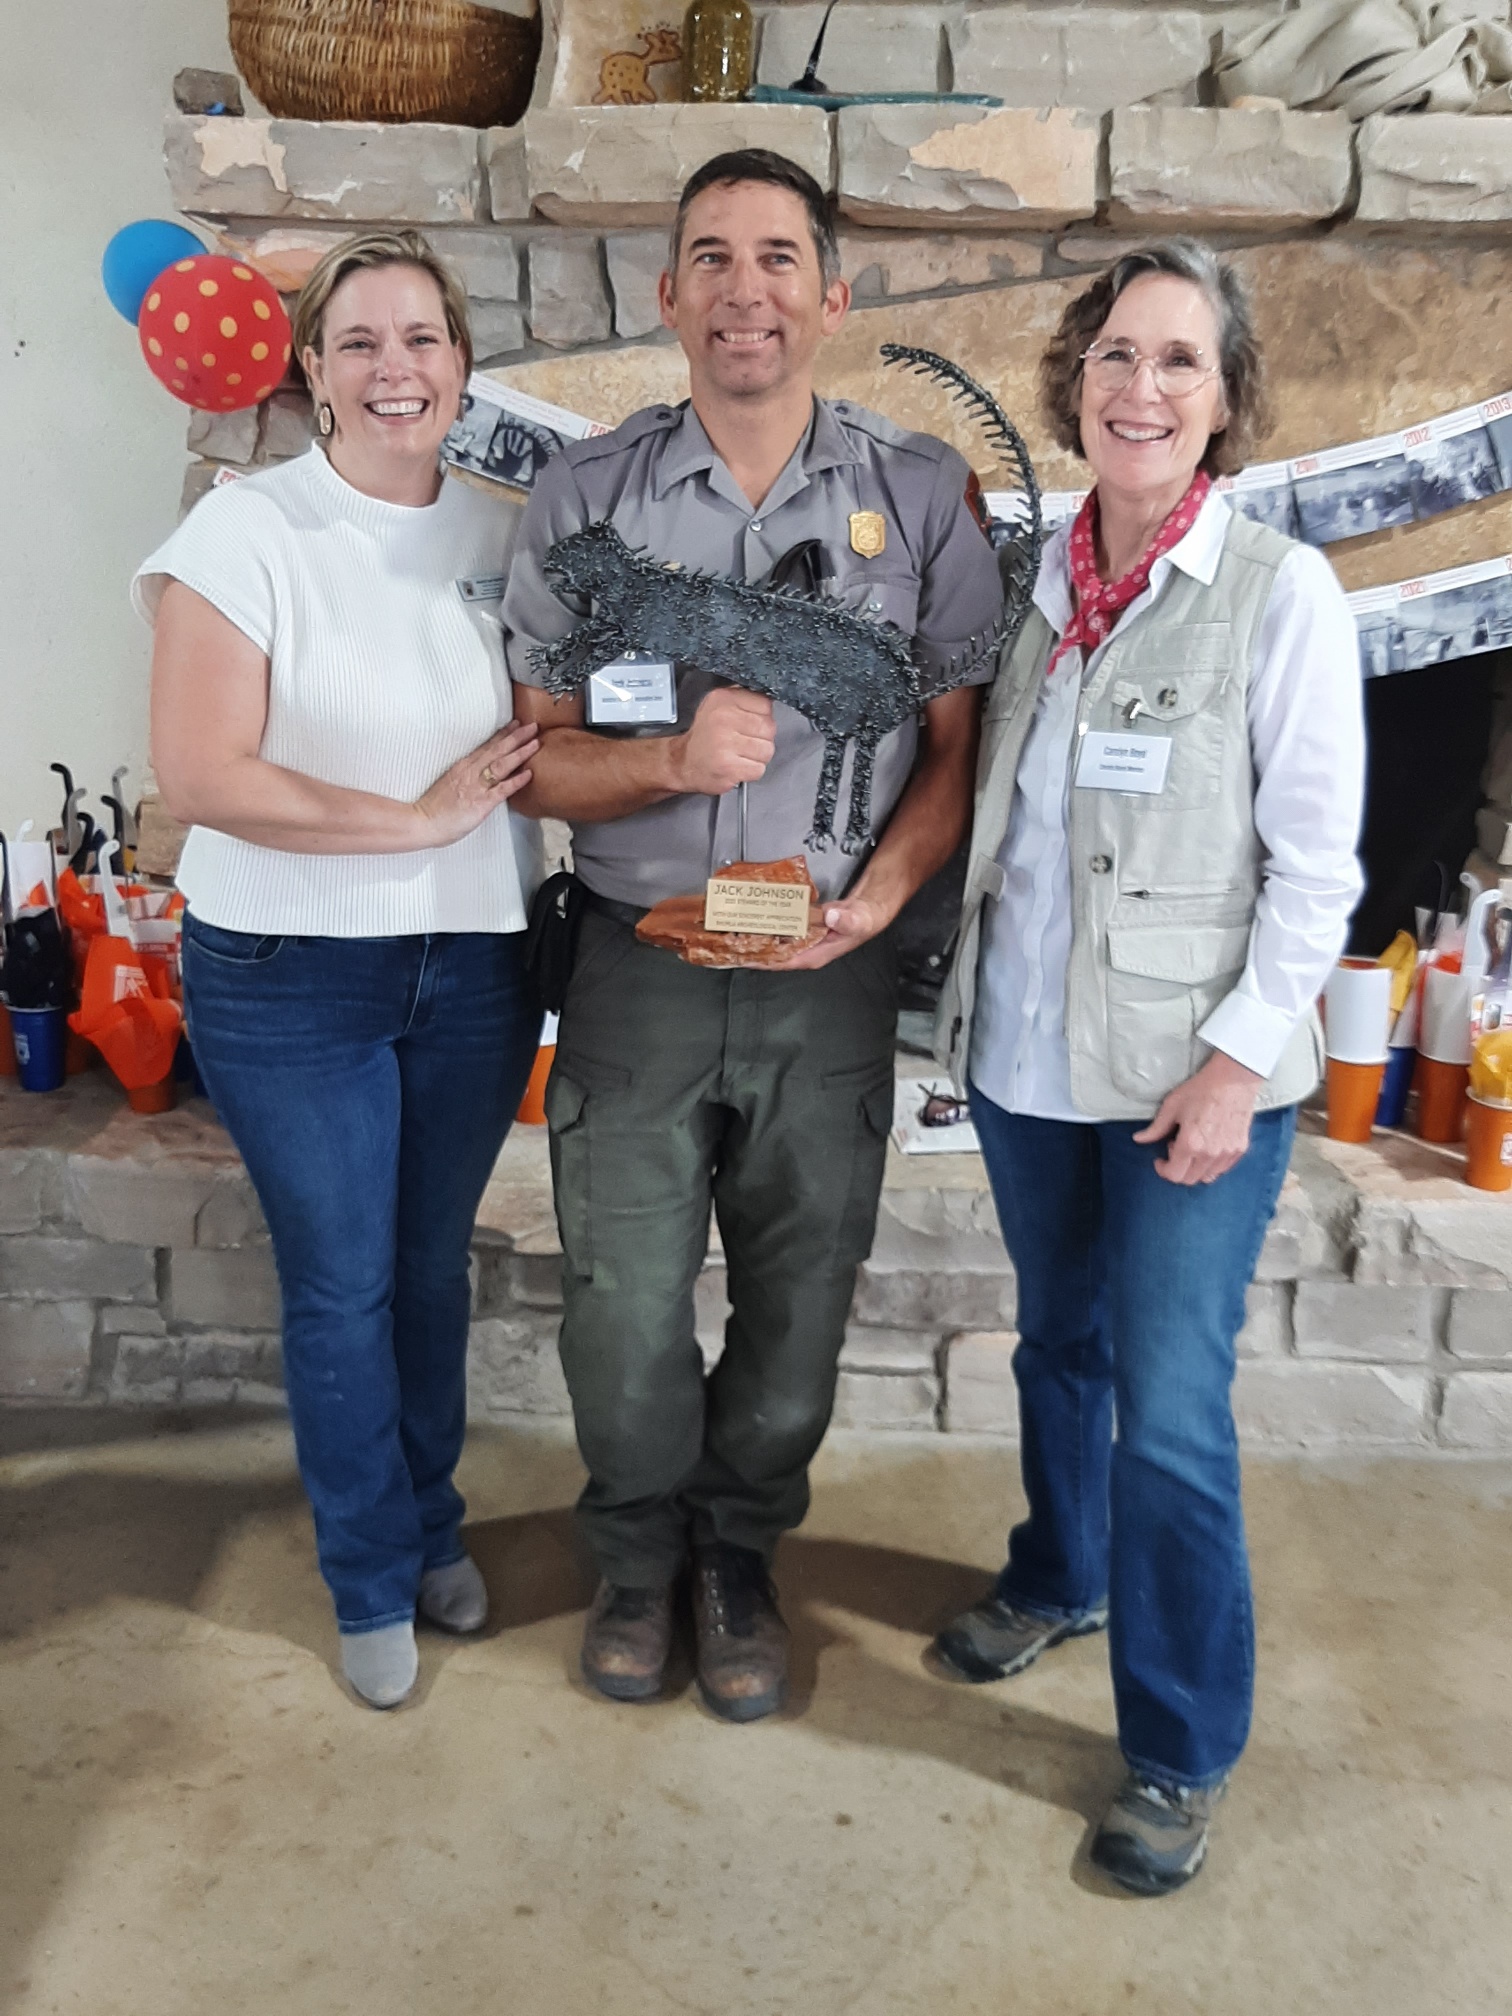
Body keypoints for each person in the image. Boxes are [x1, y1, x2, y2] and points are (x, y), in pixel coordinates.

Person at [502, 150, 1003, 1720]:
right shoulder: (585, 499)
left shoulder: (918, 497)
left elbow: (951, 754)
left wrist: (875, 905)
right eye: (710, 256)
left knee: (801, 1299)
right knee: (622, 1302)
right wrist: (661, 759)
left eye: (779, 256)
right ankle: (636, 1555)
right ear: (667, 297)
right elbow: (541, 754)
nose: (745, 288)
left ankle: (739, 1555)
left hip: (826, 979)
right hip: (637, 960)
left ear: (832, 296)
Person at [931, 240, 1364, 1894]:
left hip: (1195, 1079)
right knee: (1062, 1341)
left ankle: (1177, 1751)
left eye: (1181, 362)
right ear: (1078, 380)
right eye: (1118, 355)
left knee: (1172, 1410)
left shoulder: (1279, 592)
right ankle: (1062, 1571)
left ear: (1227, 401)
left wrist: (1241, 1067)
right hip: (1034, 1060)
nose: (1143, 388)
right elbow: (1012, 835)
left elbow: (1319, 867)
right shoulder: (1039, 588)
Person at [137, 230, 542, 1710]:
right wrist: (414, 818)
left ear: (461, 364)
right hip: (292, 972)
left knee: (428, 1273)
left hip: (476, 967)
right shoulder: (243, 534)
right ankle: (370, 1570)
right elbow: (201, 770)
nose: (395, 370)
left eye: (422, 340)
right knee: (341, 1284)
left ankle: (429, 1525)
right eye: (361, 342)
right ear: (312, 370)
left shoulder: (508, 535)